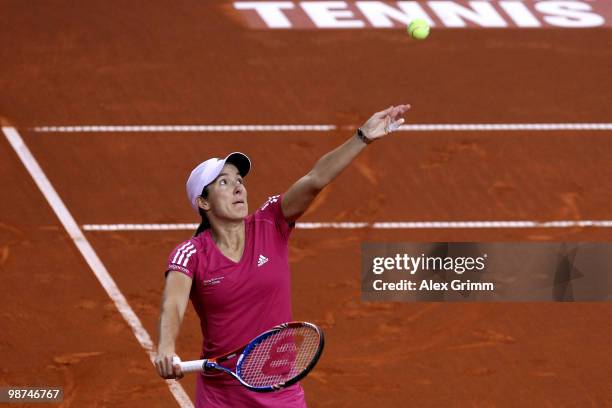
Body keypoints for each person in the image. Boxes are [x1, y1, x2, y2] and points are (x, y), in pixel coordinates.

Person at [154, 104, 410, 407]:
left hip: (280, 391)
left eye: (239, 180)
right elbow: (173, 303)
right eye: (224, 182)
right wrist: (166, 348)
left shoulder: (271, 222)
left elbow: (315, 180)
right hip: (222, 398)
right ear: (204, 203)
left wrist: (361, 137)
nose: (237, 186)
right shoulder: (191, 254)